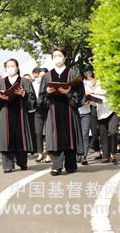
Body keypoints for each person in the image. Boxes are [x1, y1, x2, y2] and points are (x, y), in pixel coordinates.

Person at [38, 48, 84, 176]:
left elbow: (80, 94)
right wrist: (47, 92)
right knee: (55, 138)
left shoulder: (73, 73)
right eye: (54, 55)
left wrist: (67, 92)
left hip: (69, 109)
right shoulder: (47, 76)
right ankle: (56, 166)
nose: (57, 57)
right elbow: (41, 97)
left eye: (59, 55)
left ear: (65, 57)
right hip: (53, 110)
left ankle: (71, 165)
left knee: (70, 136)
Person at [0, 59, 37, 173]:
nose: (10, 68)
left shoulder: (25, 82)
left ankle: (22, 162)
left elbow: (33, 101)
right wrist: (0, 98)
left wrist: (23, 94)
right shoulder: (0, 82)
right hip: (5, 113)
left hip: (21, 114)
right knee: (6, 138)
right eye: (8, 66)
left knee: (21, 137)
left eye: (12, 66)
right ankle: (8, 164)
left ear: (17, 67)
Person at [93, 80, 120, 164]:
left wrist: (93, 91)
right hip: (101, 113)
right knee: (103, 135)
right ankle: (105, 156)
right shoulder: (94, 84)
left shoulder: (110, 78)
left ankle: (113, 154)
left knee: (112, 132)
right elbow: (94, 101)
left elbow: (109, 90)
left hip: (113, 111)